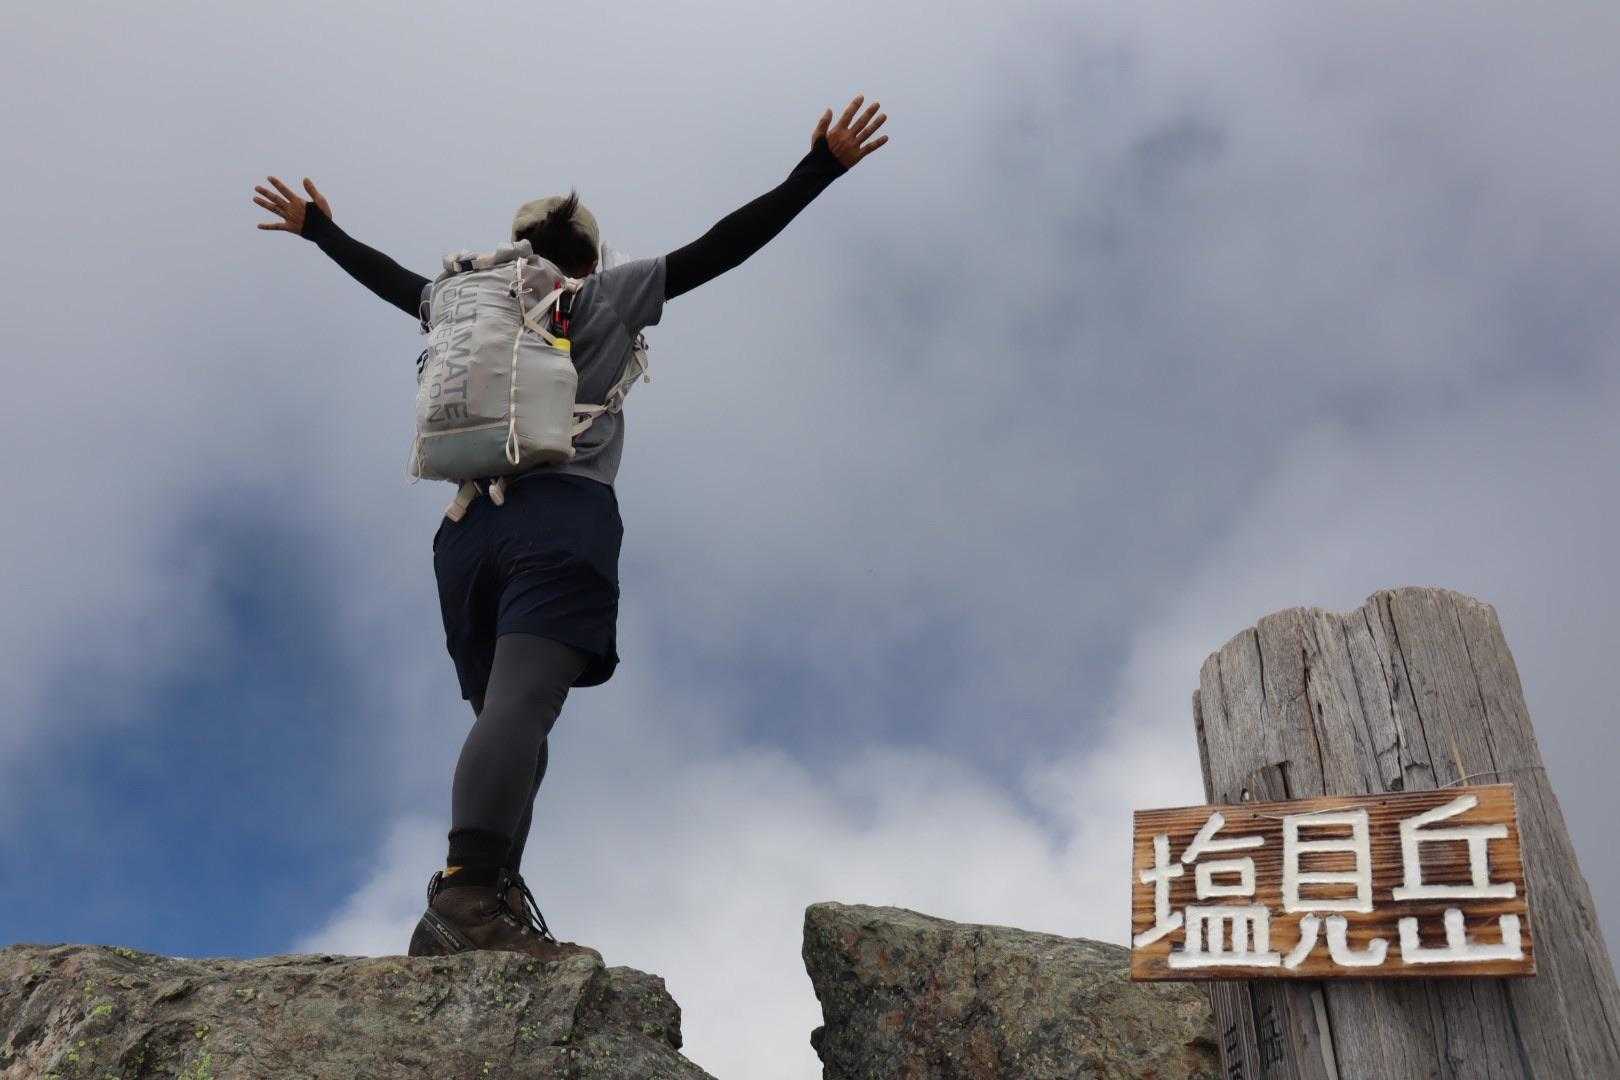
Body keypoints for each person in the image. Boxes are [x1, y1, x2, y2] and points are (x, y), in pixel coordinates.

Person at [253, 94, 889, 961]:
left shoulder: (458, 303)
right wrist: (818, 170)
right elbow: (722, 247)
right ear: (588, 255)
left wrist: (322, 232)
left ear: (516, 250)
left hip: (465, 534)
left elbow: (392, 280)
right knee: (522, 708)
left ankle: (485, 907)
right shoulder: (601, 297)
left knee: (509, 720)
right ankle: (467, 896)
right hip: (559, 517)